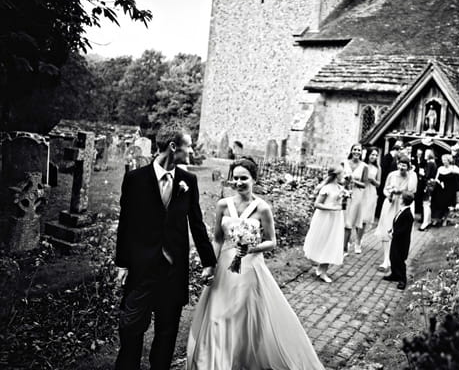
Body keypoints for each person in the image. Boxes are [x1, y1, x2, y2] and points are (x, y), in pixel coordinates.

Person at [187, 158, 325, 370]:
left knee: (242, 317)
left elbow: (272, 241)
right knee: (219, 315)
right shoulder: (223, 205)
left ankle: (242, 359)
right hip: (225, 268)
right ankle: (217, 363)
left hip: (250, 269)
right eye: (236, 178)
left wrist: (251, 248)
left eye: (244, 178)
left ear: (254, 179)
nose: (239, 182)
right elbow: (217, 239)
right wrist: (210, 265)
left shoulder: (262, 208)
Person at [114, 124, 217, 370]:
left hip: (173, 273)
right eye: (188, 145)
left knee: (166, 335)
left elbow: (197, 223)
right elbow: (126, 223)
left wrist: (209, 262)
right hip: (141, 270)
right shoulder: (135, 180)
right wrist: (122, 263)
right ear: (173, 147)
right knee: (130, 330)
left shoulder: (188, 181)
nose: (191, 150)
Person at [374, 155, 417, 272]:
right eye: (400, 164)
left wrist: (400, 190)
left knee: (398, 232)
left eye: (404, 165)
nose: (401, 167)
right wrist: (388, 195)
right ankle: (386, 259)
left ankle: (396, 259)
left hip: (402, 204)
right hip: (390, 203)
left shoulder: (411, 176)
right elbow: (384, 189)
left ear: (408, 167)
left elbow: (412, 191)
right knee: (386, 229)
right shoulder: (392, 175)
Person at [303, 165, 345, 283]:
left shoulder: (340, 188)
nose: (344, 175)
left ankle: (322, 270)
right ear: (337, 175)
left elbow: (340, 203)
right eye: (342, 173)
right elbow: (317, 204)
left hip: (336, 218)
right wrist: (332, 208)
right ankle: (322, 270)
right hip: (325, 218)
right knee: (324, 240)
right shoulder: (326, 188)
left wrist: (345, 197)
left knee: (332, 241)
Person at [383, 191, 415, 290]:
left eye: (401, 198)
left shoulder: (408, 214)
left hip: (402, 242)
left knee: (400, 260)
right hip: (396, 240)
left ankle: (402, 279)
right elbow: (397, 224)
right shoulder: (401, 211)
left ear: (404, 201)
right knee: (393, 257)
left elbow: (403, 230)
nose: (399, 199)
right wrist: (392, 230)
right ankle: (394, 274)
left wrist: (393, 234)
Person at [343, 143, 369, 254]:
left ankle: (344, 248)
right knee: (342, 220)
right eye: (355, 149)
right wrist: (345, 180)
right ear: (351, 150)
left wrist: (353, 181)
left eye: (359, 150)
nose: (357, 152)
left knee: (349, 223)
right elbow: (338, 178)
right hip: (344, 193)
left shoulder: (364, 166)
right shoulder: (344, 163)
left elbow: (364, 184)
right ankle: (342, 244)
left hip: (357, 195)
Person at [431, 154, 459, 226]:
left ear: (449, 161)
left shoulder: (454, 167)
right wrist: (439, 182)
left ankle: (445, 219)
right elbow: (436, 178)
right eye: (443, 160)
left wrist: (455, 172)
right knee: (438, 204)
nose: (443, 162)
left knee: (447, 205)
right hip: (440, 189)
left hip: (450, 190)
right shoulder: (440, 168)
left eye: (445, 160)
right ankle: (437, 219)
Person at [375, 141, 402, 218]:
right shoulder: (388, 157)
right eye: (399, 151)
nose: (399, 153)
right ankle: (378, 213)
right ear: (396, 150)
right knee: (381, 197)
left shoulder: (393, 158)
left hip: (387, 179)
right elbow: (384, 169)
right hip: (384, 179)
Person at [419, 149, 438, 231]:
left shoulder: (430, 163)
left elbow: (426, 175)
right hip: (431, 185)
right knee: (427, 204)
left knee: (426, 204)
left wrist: (421, 172)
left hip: (428, 185)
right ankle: (428, 221)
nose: (424, 155)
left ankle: (425, 222)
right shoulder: (433, 163)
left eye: (426, 153)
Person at [362, 147, 381, 229]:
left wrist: (372, 179)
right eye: (372, 154)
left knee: (365, 217)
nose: (374, 157)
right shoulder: (362, 164)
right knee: (358, 215)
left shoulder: (378, 168)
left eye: (376, 155)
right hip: (361, 190)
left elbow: (378, 184)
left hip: (370, 192)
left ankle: (359, 239)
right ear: (368, 154)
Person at [412, 148, 426, 219]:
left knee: (419, 193)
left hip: (421, 179)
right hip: (415, 177)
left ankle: (418, 209)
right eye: (418, 154)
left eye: (420, 154)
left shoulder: (423, 160)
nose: (419, 155)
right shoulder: (413, 159)